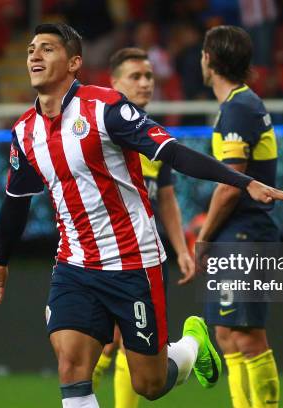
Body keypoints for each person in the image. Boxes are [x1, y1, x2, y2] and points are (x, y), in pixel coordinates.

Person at [0, 23, 283, 408]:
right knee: (72, 366)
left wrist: (241, 181)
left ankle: (190, 347)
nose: (34, 56)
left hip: (133, 262)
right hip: (75, 264)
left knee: (150, 384)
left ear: (74, 62)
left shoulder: (105, 108)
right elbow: (16, 199)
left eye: (47, 49)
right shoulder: (24, 132)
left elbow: (172, 151)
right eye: (30, 50)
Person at [90, 47, 195, 408]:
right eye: (136, 76)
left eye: (149, 76)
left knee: (122, 340)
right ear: (113, 83)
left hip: (137, 255)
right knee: (101, 342)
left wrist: (182, 250)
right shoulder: (97, 130)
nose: (146, 83)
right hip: (96, 252)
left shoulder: (154, 136)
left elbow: (166, 198)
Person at [196, 26, 281, 407]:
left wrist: (203, 237)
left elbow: (231, 183)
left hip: (243, 235)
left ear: (209, 60)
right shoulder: (241, 104)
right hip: (237, 233)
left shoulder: (237, 109)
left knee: (246, 336)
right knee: (226, 334)